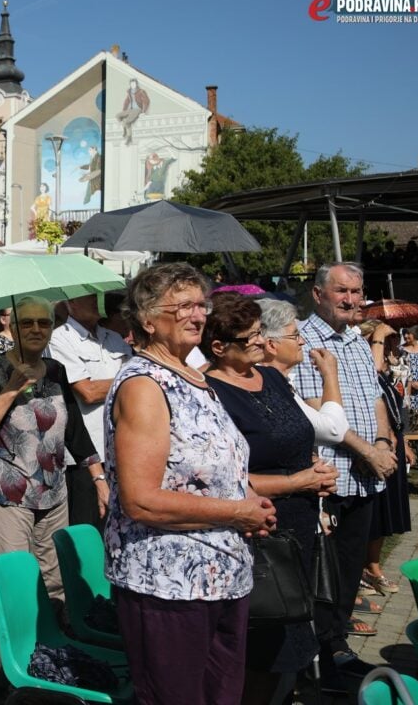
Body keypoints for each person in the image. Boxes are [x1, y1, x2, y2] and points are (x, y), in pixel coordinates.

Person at [105, 263, 276, 705]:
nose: (197, 315)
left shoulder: (195, 379)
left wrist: (250, 499)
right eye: (182, 306)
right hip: (168, 583)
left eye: (201, 305)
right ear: (146, 318)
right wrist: (237, 512)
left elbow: (212, 471)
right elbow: (141, 501)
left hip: (222, 576)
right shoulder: (145, 385)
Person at [202, 292, 339, 703]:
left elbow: (297, 434)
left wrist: (317, 469)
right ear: (219, 347)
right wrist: (298, 481)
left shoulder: (273, 378)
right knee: (262, 645)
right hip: (258, 529)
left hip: (299, 525)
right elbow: (225, 479)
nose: (263, 343)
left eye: (261, 333)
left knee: (294, 632)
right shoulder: (210, 393)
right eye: (251, 338)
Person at [0, 295, 98, 685]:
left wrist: (99, 477)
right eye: (28, 323)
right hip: (7, 490)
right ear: (13, 327)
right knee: (13, 578)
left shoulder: (57, 369)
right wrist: (10, 389)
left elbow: (73, 428)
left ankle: (50, 656)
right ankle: (3, 672)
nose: (37, 329)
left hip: (52, 488)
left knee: (54, 577)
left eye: (44, 322)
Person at [289, 262, 395, 691]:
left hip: (367, 475)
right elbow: (315, 410)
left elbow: (375, 400)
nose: (352, 299)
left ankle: (337, 646)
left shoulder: (355, 338)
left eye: (357, 291)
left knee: (350, 569)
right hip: (330, 475)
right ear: (318, 294)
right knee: (320, 574)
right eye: (342, 291)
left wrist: (384, 444)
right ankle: (313, 657)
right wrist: (367, 450)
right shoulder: (302, 339)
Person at [48, 294, 132, 524]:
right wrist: (129, 380)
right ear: (71, 303)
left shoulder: (114, 338)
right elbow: (87, 391)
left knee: (120, 522)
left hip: (121, 447)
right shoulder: (59, 339)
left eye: (97, 295)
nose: (97, 300)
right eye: (88, 297)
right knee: (89, 524)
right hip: (86, 453)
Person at [359, 320, 412, 596]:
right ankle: (364, 571)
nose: (392, 344)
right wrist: (378, 336)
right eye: (386, 340)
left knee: (386, 511)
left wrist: (404, 442)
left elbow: (392, 406)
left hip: (392, 442)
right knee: (374, 513)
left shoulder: (384, 370)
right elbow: (372, 371)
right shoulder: (366, 366)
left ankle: (373, 566)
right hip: (372, 446)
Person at [256, 298, 350, 445]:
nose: (302, 341)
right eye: (295, 335)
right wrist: (330, 374)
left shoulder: (272, 381)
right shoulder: (265, 386)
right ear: (271, 345)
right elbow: (333, 431)